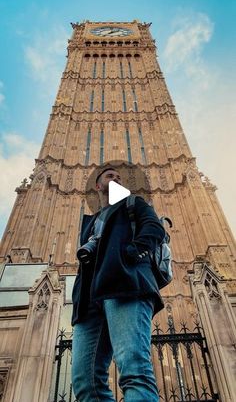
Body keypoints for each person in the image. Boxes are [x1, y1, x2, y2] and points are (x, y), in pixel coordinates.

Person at [71, 167, 165, 402]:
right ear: (98, 185)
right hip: (91, 300)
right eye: (110, 176)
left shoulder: (134, 204)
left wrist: (130, 254)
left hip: (125, 286)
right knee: (85, 381)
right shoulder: (91, 222)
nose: (116, 179)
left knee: (134, 369)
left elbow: (155, 229)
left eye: (119, 177)